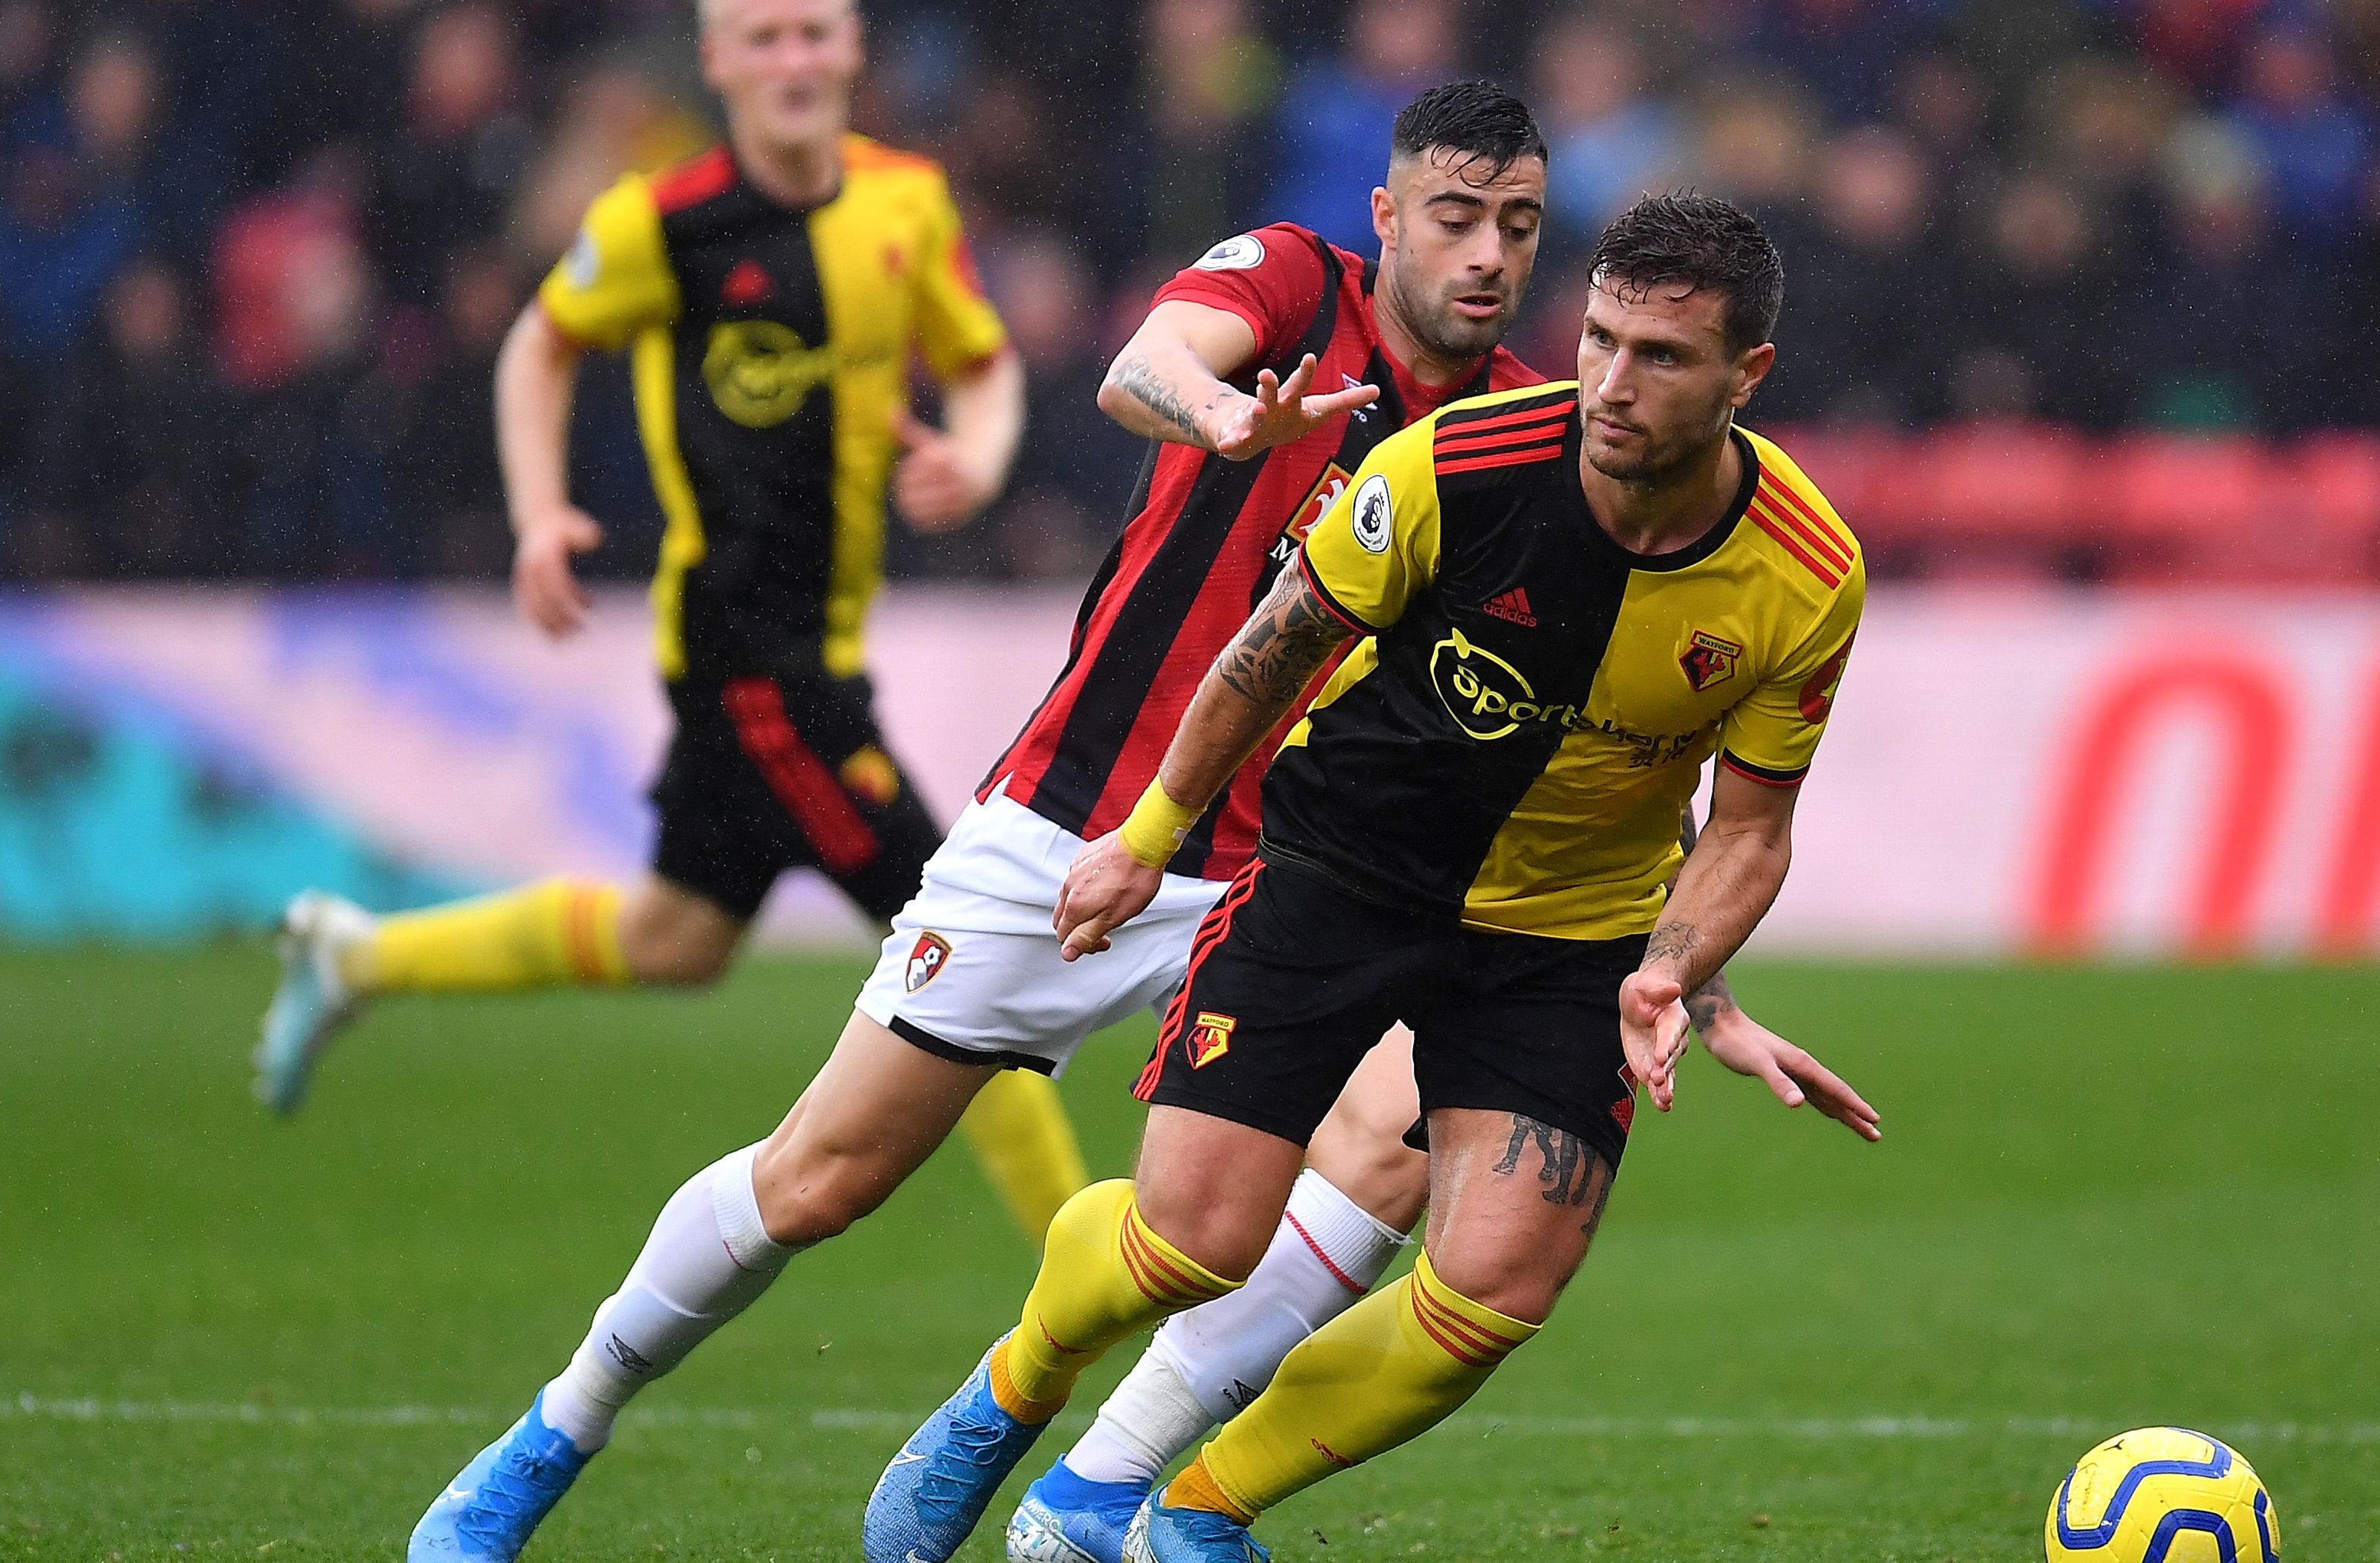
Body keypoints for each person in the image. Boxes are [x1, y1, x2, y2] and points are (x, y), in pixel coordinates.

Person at [401, 80, 1558, 1563]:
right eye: (1455, 218)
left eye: (1515, 226)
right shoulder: (1288, 281)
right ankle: (557, 1426)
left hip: (1290, 871)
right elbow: (1143, 365)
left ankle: (1093, 1474)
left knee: (1396, 1141)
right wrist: (1228, 416)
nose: (1485, 254)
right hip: (1075, 821)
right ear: (1390, 215)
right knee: (821, 1176)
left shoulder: (1513, 435)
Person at [872, 193, 1882, 1563]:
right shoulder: (1450, 466)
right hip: (1342, 875)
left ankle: (1193, 1513)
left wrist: (1674, 968)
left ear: (1747, 375)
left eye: (1660, 357)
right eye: (1596, 339)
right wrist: (1150, 833)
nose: (1610, 383)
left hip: (1564, 935)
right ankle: (1018, 1379)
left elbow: (1750, 826)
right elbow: (1268, 655)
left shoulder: (1808, 572)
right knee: (1193, 1243)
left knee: (1491, 1292)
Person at [248, 0, 1080, 1245]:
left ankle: (357, 957)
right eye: (767, 37)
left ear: (855, 50)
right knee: (960, 940)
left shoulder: (906, 199)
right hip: (751, 652)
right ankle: (1088, 1255)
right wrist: (539, 516)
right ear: (717, 62)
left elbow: (981, 360)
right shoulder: (664, 223)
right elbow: (538, 344)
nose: (794, 60)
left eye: (816, 34)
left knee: (677, 935)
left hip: (821, 642)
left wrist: (978, 452)